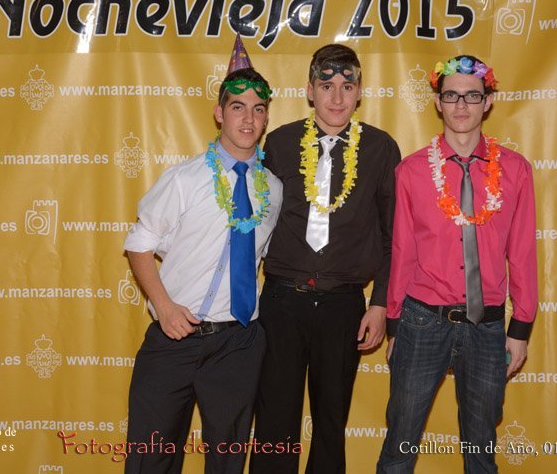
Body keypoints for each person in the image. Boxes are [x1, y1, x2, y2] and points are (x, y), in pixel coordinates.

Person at [123, 51, 282, 474]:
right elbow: (139, 244)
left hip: (239, 342)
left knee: (228, 462)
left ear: (266, 118)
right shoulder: (184, 178)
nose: (248, 119)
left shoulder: (274, 189)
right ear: (218, 113)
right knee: (150, 458)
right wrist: (164, 307)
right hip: (174, 337)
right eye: (237, 107)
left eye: (258, 109)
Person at [376, 55, 538, 473]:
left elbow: (522, 252)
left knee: (481, 449)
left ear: (488, 102)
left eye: (472, 96)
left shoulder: (516, 170)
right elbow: (403, 253)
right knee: (400, 443)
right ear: (437, 102)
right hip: (421, 322)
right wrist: (394, 327)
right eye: (451, 95)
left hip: (487, 328)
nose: (461, 105)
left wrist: (520, 328)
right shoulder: (411, 171)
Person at [251, 43, 401, 474]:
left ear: (360, 93)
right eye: (326, 85)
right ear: (309, 91)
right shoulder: (279, 143)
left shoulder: (380, 148)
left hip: (343, 305)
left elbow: (394, 237)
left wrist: (381, 304)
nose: (337, 97)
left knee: (331, 423)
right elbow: (256, 221)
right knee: (274, 421)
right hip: (282, 302)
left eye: (347, 87)